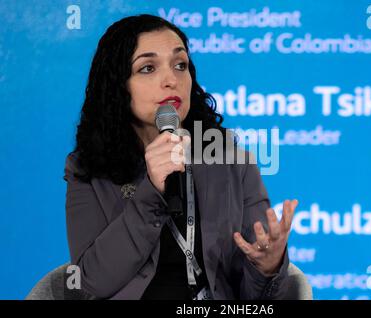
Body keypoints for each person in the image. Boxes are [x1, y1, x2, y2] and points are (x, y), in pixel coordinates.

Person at [64, 14, 298, 300]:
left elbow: (257, 300)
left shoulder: (232, 163)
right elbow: (88, 284)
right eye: (147, 68)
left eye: (180, 65)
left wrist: (267, 266)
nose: (171, 80)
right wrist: (152, 191)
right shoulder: (88, 169)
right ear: (118, 86)